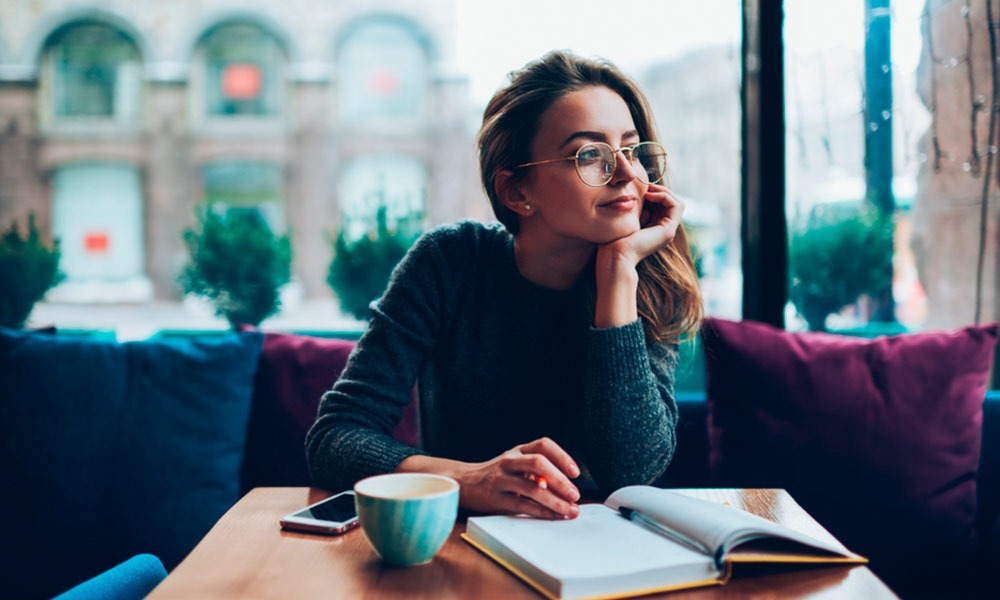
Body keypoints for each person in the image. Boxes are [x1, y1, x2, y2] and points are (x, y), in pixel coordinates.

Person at [306, 50, 703, 520]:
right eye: (589, 154)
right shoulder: (449, 263)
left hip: (605, 553)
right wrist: (466, 480)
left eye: (632, 150)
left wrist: (619, 272)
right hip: (463, 548)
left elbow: (631, 470)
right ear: (518, 192)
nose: (626, 174)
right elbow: (335, 436)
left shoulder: (650, 277)